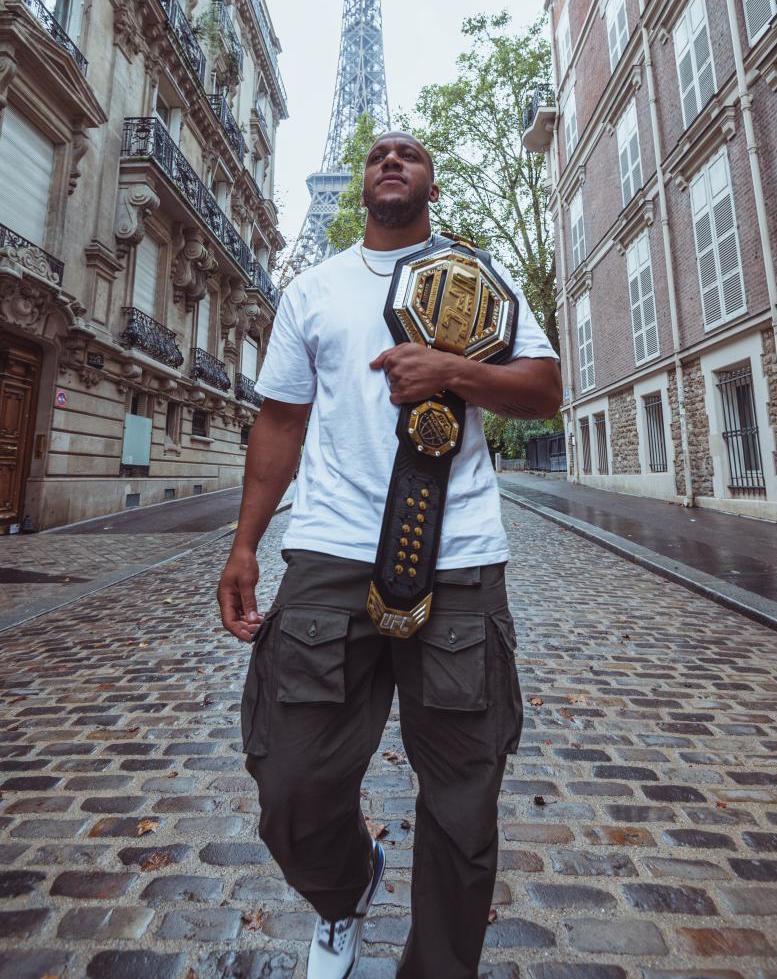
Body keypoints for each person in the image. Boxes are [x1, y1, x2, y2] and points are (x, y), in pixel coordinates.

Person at [217, 133, 562, 979]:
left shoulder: (480, 279)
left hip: (460, 556)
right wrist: (245, 544)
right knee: (290, 784)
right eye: (377, 153)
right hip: (331, 550)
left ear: (432, 180)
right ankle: (345, 891)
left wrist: (453, 369)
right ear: (361, 181)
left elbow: (546, 387)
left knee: (462, 808)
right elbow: (281, 422)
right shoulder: (314, 287)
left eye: (410, 151)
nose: (391, 159)